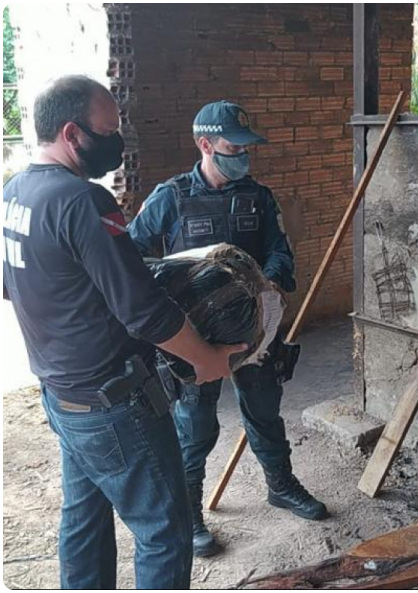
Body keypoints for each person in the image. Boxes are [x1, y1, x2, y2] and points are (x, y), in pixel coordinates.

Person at [2, 75, 243, 589]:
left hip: (63, 395)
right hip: (113, 403)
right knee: (164, 531)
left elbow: (14, 287)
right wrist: (205, 359)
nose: (118, 141)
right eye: (108, 130)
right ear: (71, 134)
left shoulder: (16, 191)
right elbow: (145, 313)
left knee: (84, 519)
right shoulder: (82, 201)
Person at [129, 100, 327, 559]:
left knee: (264, 412)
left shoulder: (258, 197)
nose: (243, 155)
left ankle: (281, 486)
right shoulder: (170, 197)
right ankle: (189, 514)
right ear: (205, 144)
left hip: (255, 332)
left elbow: (281, 250)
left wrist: (272, 280)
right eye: (233, 147)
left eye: (246, 146)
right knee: (195, 428)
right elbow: (133, 260)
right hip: (194, 337)